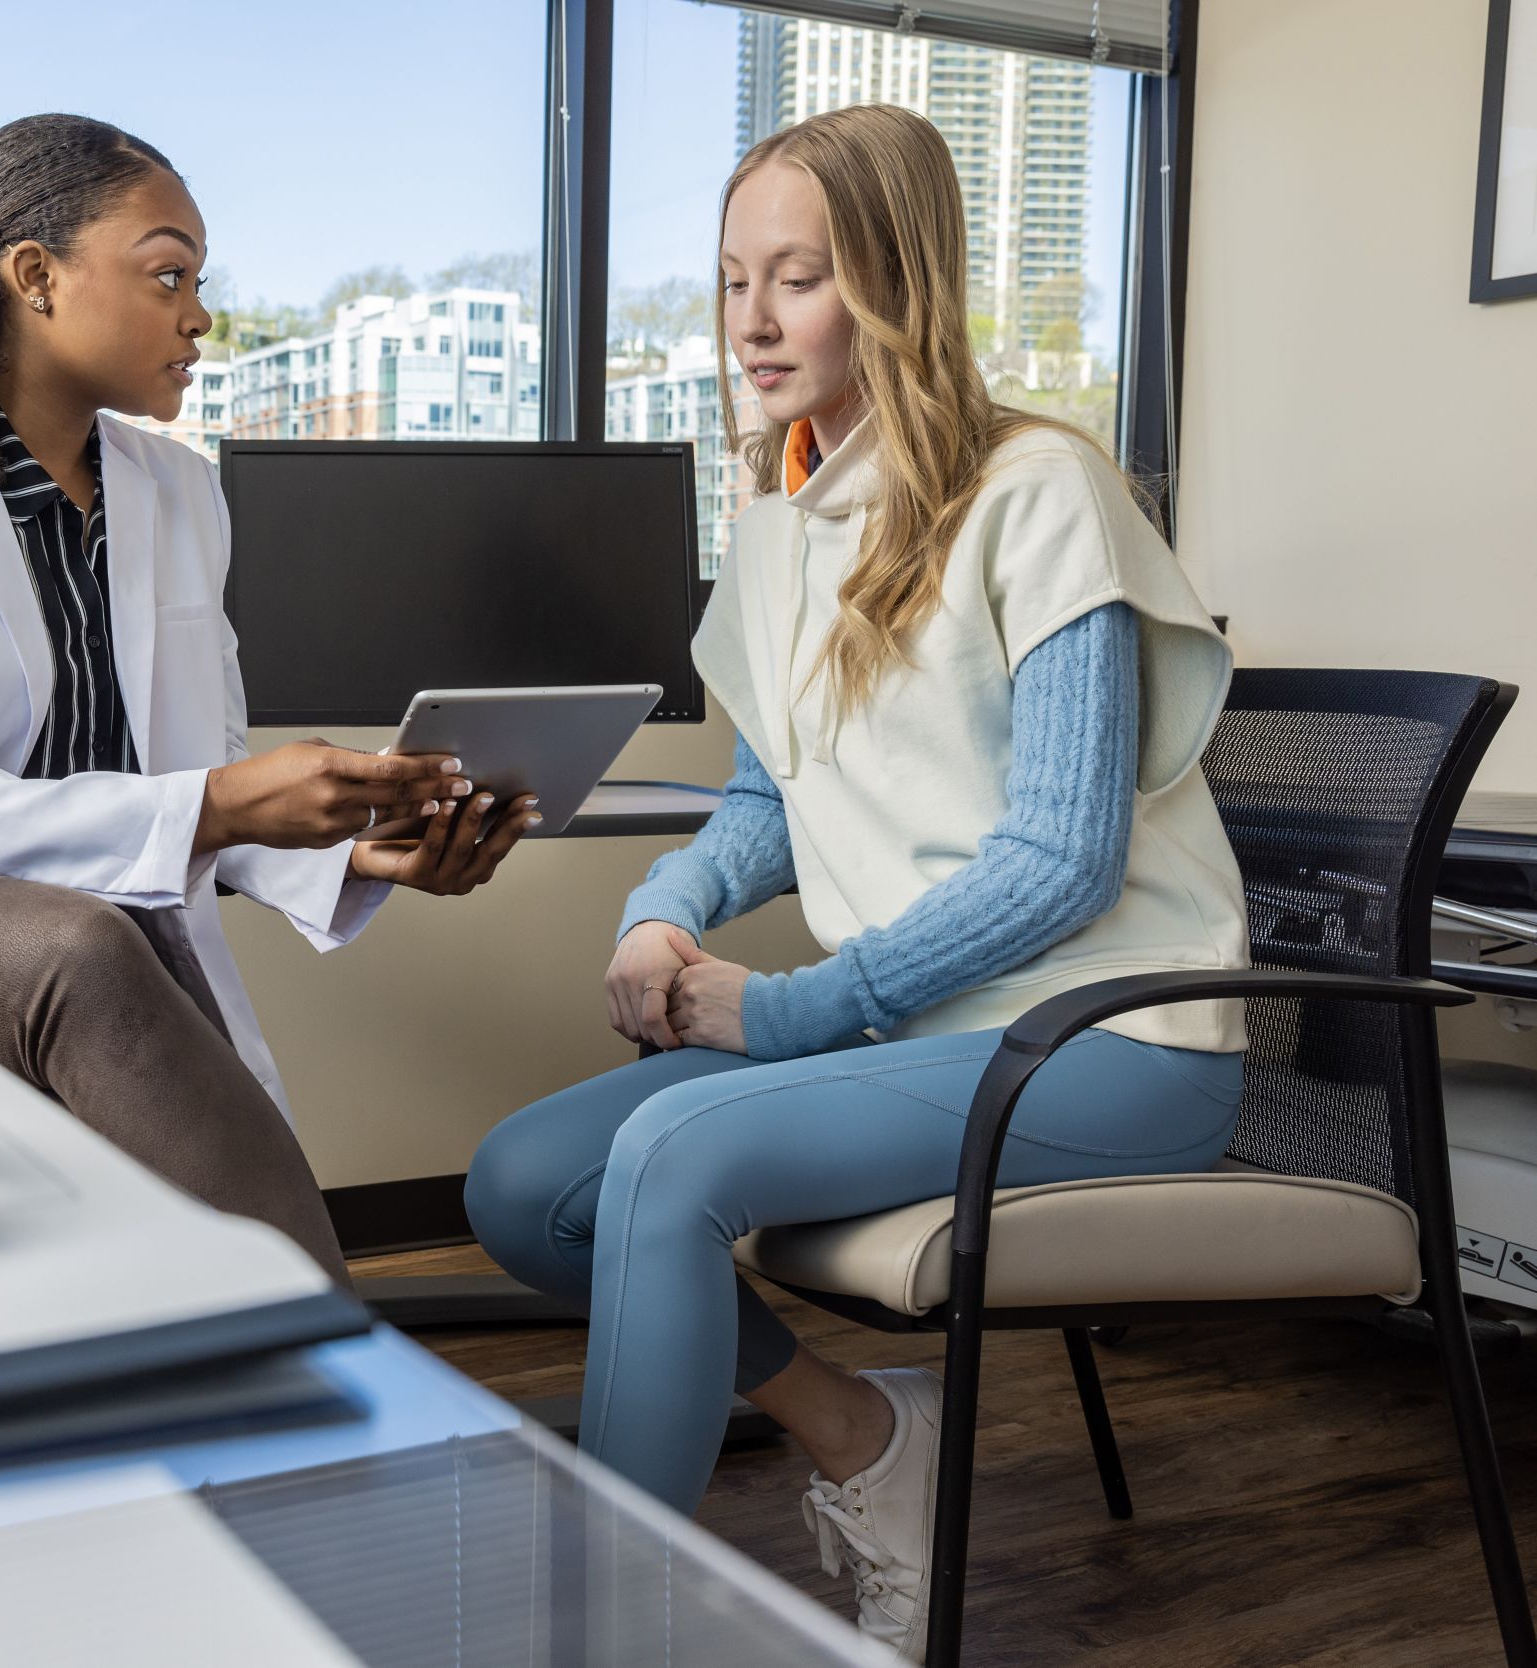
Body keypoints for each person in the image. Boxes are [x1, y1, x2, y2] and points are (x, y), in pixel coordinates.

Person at [462, 103, 1248, 1659]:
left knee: (676, 1157)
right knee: (521, 1185)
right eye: (733, 276)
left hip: (1106, 1047)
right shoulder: (775, 526)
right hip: (926, 1040)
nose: (752, 319)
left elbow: (1062, 858)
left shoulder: (1044, 490)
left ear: (893, 281)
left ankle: (597, 1632)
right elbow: (771, 803)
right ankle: (867, 1439)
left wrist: (795, 1011)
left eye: (799, 276)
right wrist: (665, 909)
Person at [0, 114, 539, 1282]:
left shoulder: (178, 491)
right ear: (34, 275)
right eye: (167, 272)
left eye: (199, 280)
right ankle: (322, 1369)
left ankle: (237, 1371)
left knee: (101, 940)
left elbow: (192, 771)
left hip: (74, 914)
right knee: (84, 945)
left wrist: (347, 850)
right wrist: (223, 807)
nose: (199, 315)